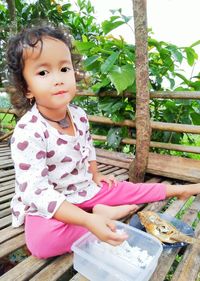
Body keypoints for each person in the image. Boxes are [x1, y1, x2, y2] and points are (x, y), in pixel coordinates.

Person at [7, 25, 200, 259]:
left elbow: (87, 148)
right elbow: (36, 192)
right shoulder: (28, 131)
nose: (58, 79)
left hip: (83, 188)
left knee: (126, 189)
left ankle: (178, 190)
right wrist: (89, 221)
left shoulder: (78, 115)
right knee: (41, 244)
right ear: (27, 88)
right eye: (43, 73)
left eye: (64, 68)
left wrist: (96, 175)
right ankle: (101, 216)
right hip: (50, 203)